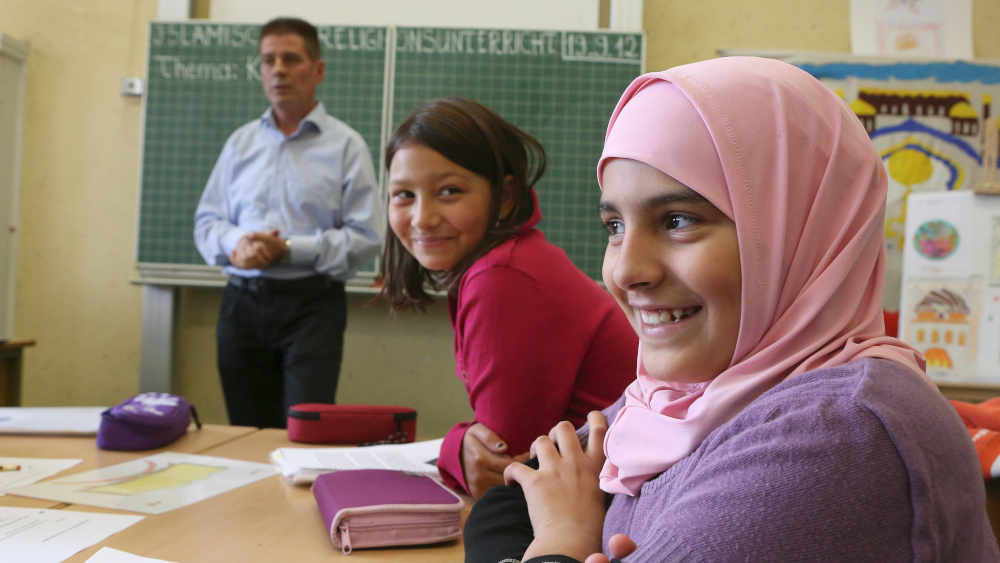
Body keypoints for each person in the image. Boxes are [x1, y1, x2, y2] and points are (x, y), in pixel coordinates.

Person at [464, 56, 1000, 562]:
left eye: (678, 220)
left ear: (797, 229)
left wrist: (560, 540)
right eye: (615, 227)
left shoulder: (836, 436)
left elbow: (540, 509)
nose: (627, 271)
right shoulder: (687, 394)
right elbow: (510, 500)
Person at [380, 97, 637, 499]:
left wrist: (455, 446)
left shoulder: (502, 277)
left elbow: (504, 465)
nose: (422, 218)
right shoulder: (505, 263)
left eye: (449, 191)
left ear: (504, 196)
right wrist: (460, 448)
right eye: (404, 195)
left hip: (616, 503)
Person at [193, 17, 380, 429]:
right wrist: (239, 243)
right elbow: (208, 222)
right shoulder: (240, 143)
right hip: (241, 304)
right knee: (244, 432)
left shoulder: (346, 146)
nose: (278, 69)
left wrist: (290, 249)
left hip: (311, 307)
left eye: (291, 58)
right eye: (268, 60)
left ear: (317, 70)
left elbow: (367, 236)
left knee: (305, 431)